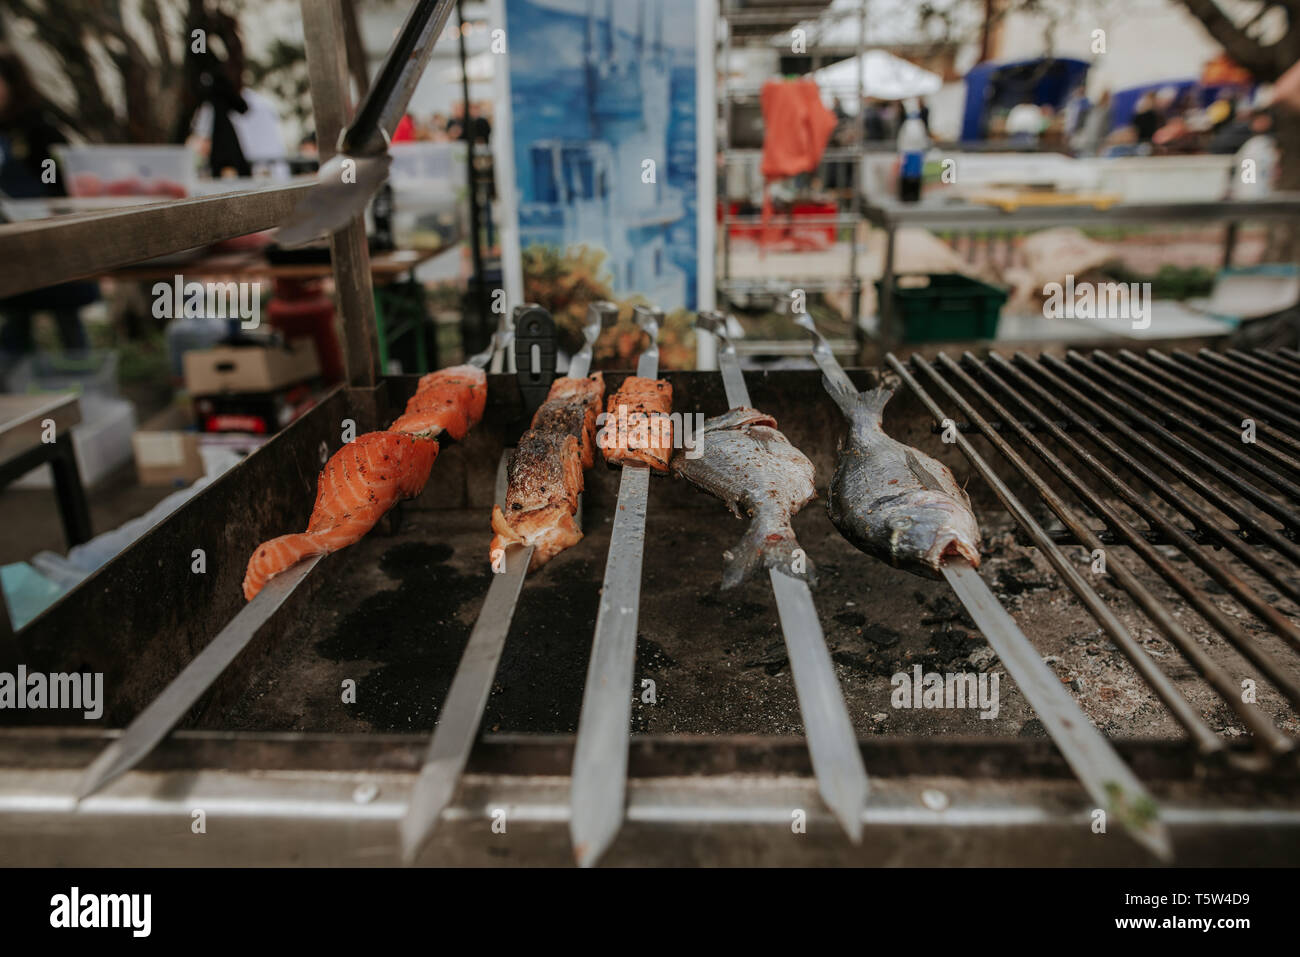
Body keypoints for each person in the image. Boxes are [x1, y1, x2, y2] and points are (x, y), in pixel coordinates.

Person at [0, 46, 93, 370]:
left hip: (50, 242)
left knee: (67, 321)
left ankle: (83, 393)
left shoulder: (38, 129)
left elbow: (66, 182)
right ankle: (19, 401)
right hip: (9, 248)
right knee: (16, 326)